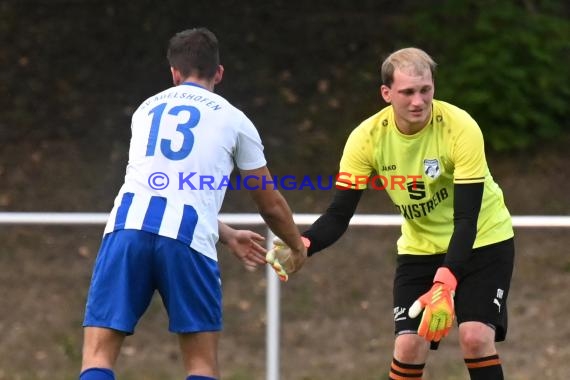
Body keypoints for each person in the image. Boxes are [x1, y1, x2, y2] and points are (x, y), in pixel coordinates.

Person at [79, 27, 307, 380]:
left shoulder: (145, 110)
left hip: (126, 231)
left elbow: (162, 188)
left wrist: (227, 233)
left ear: (174, 73)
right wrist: (296, 244)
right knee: (201, 366)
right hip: (187, 242)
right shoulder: (234, 119)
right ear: (219, 73)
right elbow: (270, 204)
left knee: (98, 358)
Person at [276, 47, 514, 379]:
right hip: (420, 247)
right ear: (386, 94)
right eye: (407, 92)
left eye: (425, 90)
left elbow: (466, 220)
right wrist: (303, 244)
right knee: (407, 346)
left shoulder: (461, 127)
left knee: (474, 336)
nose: (418, 101)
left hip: (482, 240)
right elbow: (338, 215)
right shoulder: (366, 139)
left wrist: (445, 283)